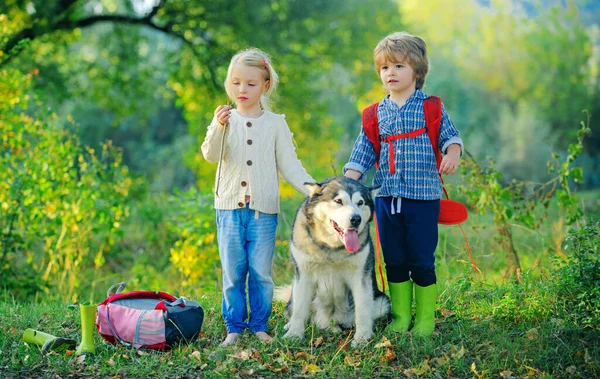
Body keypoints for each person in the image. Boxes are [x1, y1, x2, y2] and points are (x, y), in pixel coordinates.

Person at [343, 32, 463, 336]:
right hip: (386, 197)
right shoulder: (374, 114)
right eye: (385, 68)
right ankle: (400, 317)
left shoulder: (431, 107)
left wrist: (452, 153)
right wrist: (346, 184)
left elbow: (450, 137)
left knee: (421, 259)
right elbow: (362, 153)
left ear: (417, 71)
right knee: (394, 259)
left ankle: (424, 320)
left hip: (422, 198)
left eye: (398, 66)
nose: (390, 73)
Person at [201, 48, 315, 347]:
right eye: (236, 82)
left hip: (263, 212)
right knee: (233, 273)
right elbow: (210, 155)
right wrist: (217, 126)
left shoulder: (275, 123)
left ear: (265, 85)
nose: (242, 89)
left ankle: (260, 325)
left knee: (261, 273)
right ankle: (234, 327)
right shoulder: (225, 120)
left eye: (250, 84)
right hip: (228, 210)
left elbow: (290, 163)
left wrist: (315, 191)